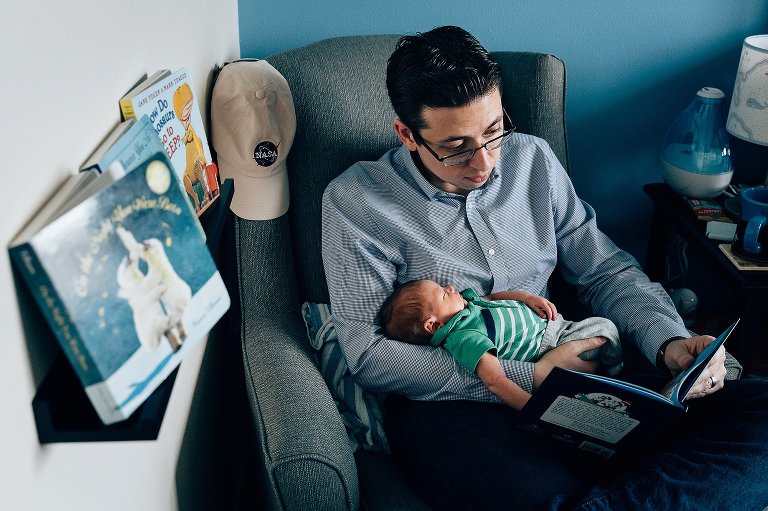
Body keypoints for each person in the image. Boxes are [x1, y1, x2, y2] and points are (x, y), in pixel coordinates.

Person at [321, 25, 768, 510]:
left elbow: (604, 271)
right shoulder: (357, 202)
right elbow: (367, 353)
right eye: (456, 147)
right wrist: (528, 375)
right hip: (452, 403)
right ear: (407, 134)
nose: (485, 163)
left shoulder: (532, 160)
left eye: (493, 133)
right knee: (531, 495)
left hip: (576, 364)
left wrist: (668, 340)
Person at [379, 279, 622, 409]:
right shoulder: (464, 337)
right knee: (604, 330)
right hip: (549, 348)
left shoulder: (468, 304)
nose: (450, 287)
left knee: (603, 329)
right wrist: (534, 409)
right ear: (433, 326)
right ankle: (616, 372)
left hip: (556, 326)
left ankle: (611, 378)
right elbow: (496, 381)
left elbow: (495, 297)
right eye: (443, 293)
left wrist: (527, 298)